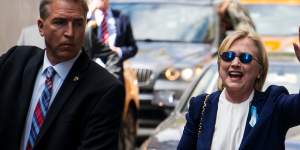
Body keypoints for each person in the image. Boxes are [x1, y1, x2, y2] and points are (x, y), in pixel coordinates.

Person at [0, 0, 125, 149]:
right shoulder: (15, 61)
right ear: (41, 27)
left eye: (78, 23)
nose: (70, 33)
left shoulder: (105, 90)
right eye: (60, 22)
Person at [177, 28, 300, 149]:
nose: (235, 63)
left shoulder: (273, 105)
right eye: (228, 56)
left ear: (259, 71)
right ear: (220, 65)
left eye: (245, 58)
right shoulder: (200, 106)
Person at [84, 0, 138, 82]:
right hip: (92, 71)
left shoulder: (121, 18)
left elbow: (133, 48)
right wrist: (90, 12)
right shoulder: (89, 17)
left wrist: (118, 51)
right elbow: (80, 36)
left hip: (114, 71)